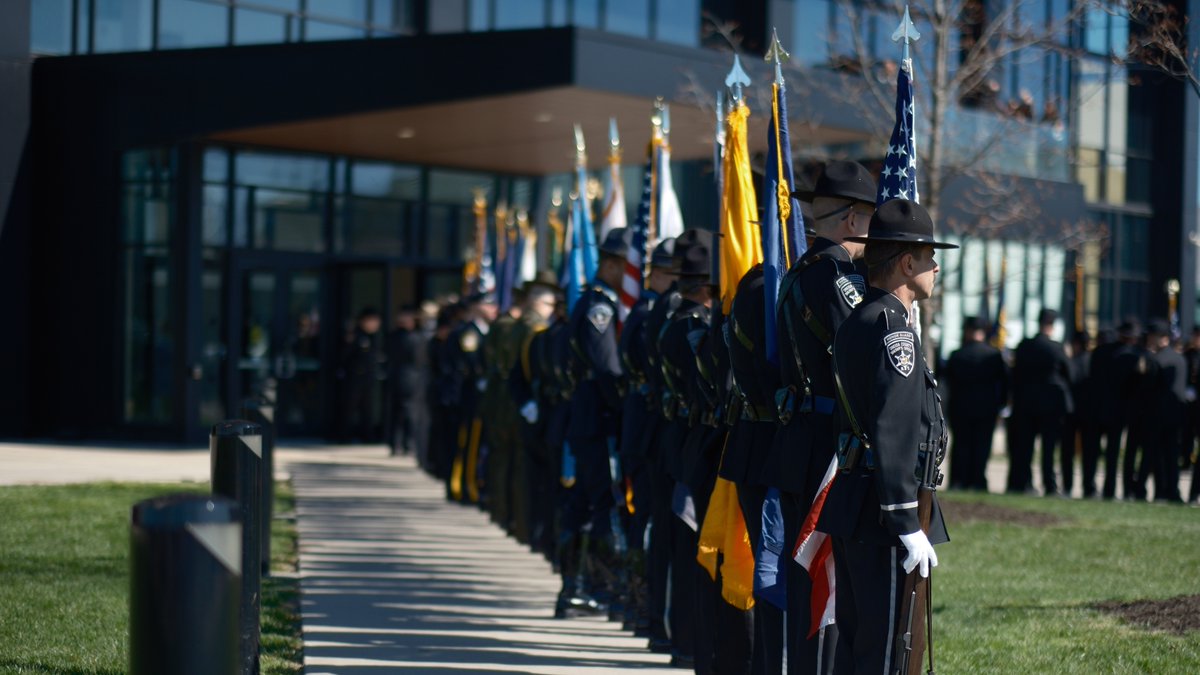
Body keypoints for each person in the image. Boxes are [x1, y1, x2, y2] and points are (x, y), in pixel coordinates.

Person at [817, 198, 953, 674]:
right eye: (929, 256)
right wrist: (906, 523)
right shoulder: (894, 330)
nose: (935, 266)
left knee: (859, 643)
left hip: (856, 498)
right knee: (888, 650)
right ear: (906, 261)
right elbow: (893, 430)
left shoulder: (861, 320)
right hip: (883, 510)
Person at [764, 159, 877, 673]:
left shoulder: (800, 270)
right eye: (872, 218)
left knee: (808, 576)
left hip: (798, 439)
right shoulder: (834, 276)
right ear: (853, 218)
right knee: (820, 580)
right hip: (823, 443)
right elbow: (861, 352)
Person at [556, 227, 628, 619]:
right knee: (601, 504)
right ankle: (595, 588)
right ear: (613, 264)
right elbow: (606, 367)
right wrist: (624, 406)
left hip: (587, 416)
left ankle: (574, 589)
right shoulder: (600, 305)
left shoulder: (595, 300)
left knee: (584, 504)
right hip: (597, 418)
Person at [656, 229, 718, 669]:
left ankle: (683, 637)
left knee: (683, 545)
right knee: (695, 548)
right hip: (695, 437)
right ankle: (691, 640)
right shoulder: (694, 327)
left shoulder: (671, 320)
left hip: (679, 434)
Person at [617, 237, 677, 636]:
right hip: (648, 427)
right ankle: (643, 608)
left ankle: (647, 609)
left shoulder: (647, 310)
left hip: (649, 423)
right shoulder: (649, 313)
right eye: (670, 273)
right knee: (647, 522)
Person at [1008, 308, 1073, 496]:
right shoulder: (1056, 348)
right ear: (1052, 325)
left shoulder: (1024, 346)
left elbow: (1015, 374)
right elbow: (1069, 374)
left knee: (1026, 447)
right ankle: (1049, 485)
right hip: (1050, 406)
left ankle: (1025, 482)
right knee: (1048, 448)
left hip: (1026, 404)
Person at [943, 316, 1008, 491]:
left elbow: (948, 382)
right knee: (982, 446)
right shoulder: (993, 355)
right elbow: (1003, 382)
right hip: (986, 407)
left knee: (961, 445)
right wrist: (1000, 404)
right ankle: (978, 480)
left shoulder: (957, 355)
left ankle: (959, 480)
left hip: (960, 406)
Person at [445, 292, 497, 503]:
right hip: (470, 400)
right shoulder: (470, 333)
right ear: (477, 307)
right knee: (469, 444)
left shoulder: (485, 331)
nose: (494, 309)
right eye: (489, 304)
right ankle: (466, 487)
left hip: (481, 399)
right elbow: (469, 366)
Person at [1139, 320, 1185, 502]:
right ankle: (1172, 491)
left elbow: (1147, 389)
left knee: (1156, 456)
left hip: (1157, 416)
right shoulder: (1179, 359)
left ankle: (1159, 491)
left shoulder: (1156, 360)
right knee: (1172, 457)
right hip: (1176, 416)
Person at [386, 309, 429, 458]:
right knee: (409, 413)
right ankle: (407, 443)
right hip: (411, 379)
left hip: (398, 377)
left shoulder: (393, 336)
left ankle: (396, 443)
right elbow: (419, 359)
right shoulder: (415, 338)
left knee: (397, 413)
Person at [340, 307, 385, 443]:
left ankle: (367, 436)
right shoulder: (356, 336)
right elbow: (345, 357)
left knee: (367, 409)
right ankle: (344, 436)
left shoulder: (375, 337)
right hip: (355, 378)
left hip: (368, 378)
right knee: (349, 407)